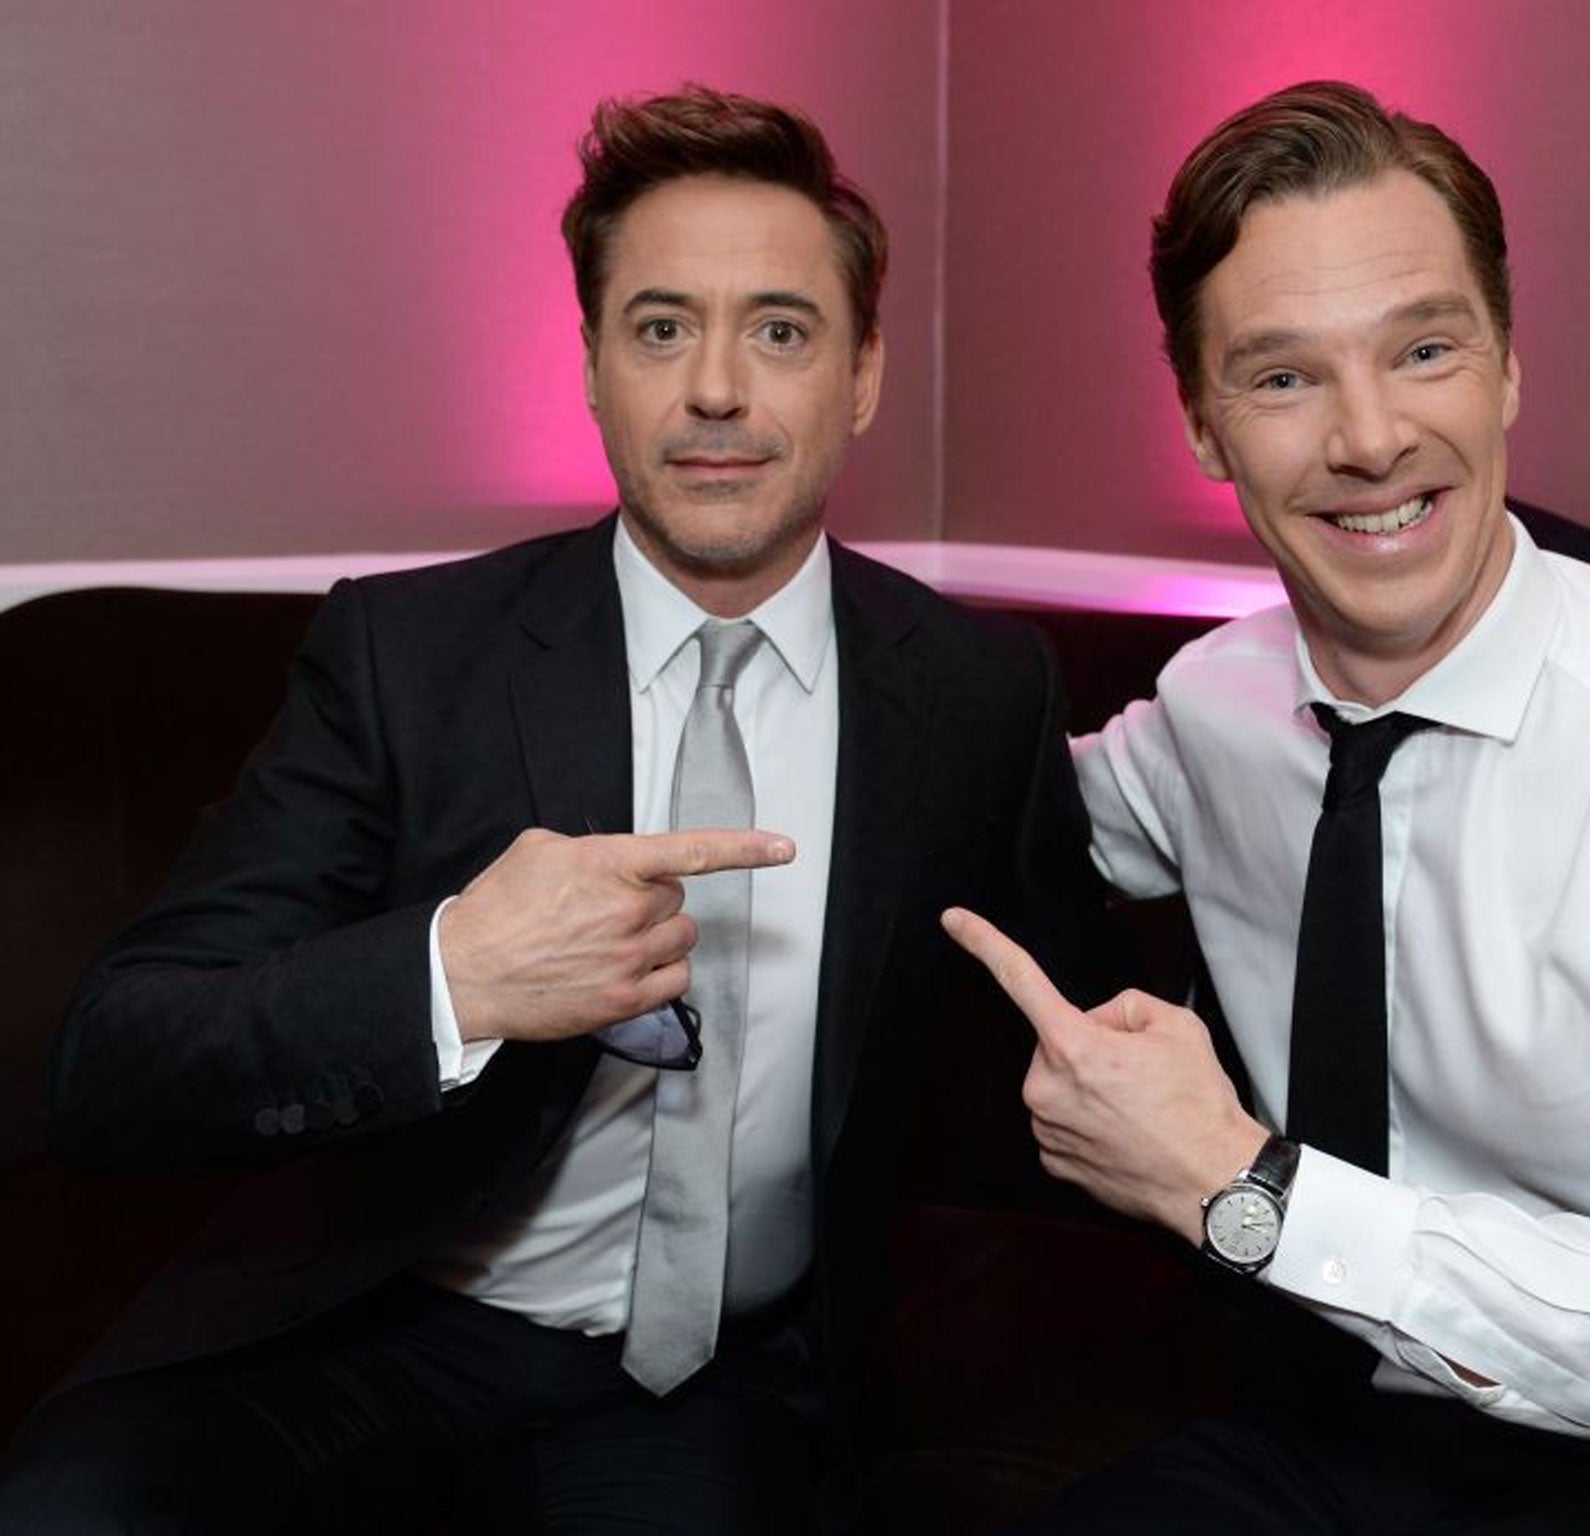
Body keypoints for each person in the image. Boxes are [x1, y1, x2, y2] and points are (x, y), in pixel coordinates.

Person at [0, 84, 1102, 1534]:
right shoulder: (410, 656)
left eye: (780, 328)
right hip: (383, 1316)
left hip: (705, 1378)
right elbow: (117, 1061)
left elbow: (1073, 1029)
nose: (718, 388)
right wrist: (454, 974)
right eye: (660, 328)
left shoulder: (975, 690)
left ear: (865, 374)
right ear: (591, 363)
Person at [943, 80, 1590, 1533]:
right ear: (1203, 424)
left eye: (1423, 349)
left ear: (1506, 367)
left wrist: (1243, 1188)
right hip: (1292, 1439)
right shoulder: (1213, 709)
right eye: (1284, 377)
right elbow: (1010, 807)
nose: (1370, 438)